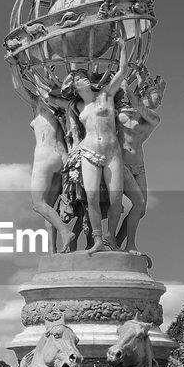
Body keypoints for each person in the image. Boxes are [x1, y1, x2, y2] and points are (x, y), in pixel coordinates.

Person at [68, 45, 129, 253]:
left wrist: (121, 48)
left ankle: (111, 238)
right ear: (74, 87)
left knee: (116, 198)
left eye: (84, 76)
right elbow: (50, 97)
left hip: (112, 151)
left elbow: (122, 71)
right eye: (78, 79)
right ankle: (97, 240)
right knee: (91, 197)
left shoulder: (105, 95)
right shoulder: (77, 107)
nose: (83, 79)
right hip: (89, 152)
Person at [114, 67, 163, 254]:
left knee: (140, 209)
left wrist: (133, 84)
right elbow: (134, 102)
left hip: (138, 166)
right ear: (146, 95)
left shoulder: (153, 118)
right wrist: (133, 81)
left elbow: (139, 106)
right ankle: (122, 243)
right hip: (121, 163)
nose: (160, 101)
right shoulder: (124, 111)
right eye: (156, 96)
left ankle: (120, 243)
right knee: (123, 205)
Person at [28, 75, 80, 252]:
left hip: (45, 156)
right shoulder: (60, 107)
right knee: (51, 207)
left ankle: (65, 233)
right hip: (63, 156)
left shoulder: (43, 107)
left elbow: (18, 88)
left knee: (38, 203)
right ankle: (53, 252)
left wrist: (13, 66)